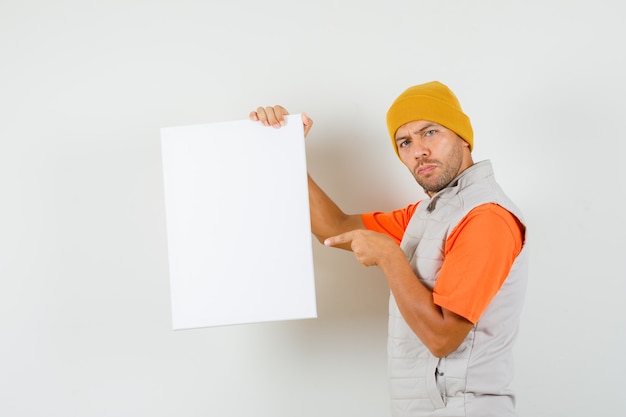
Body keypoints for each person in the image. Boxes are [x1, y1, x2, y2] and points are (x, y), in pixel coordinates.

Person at [249, 81, 528, 417]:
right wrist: (286, 150)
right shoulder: (432, 213)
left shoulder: (485, 217)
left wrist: (388, 256)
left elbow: (443, 339)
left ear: (463, 136)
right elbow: (334, 227)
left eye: (430, 132)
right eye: (405, 142)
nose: (418, 151)